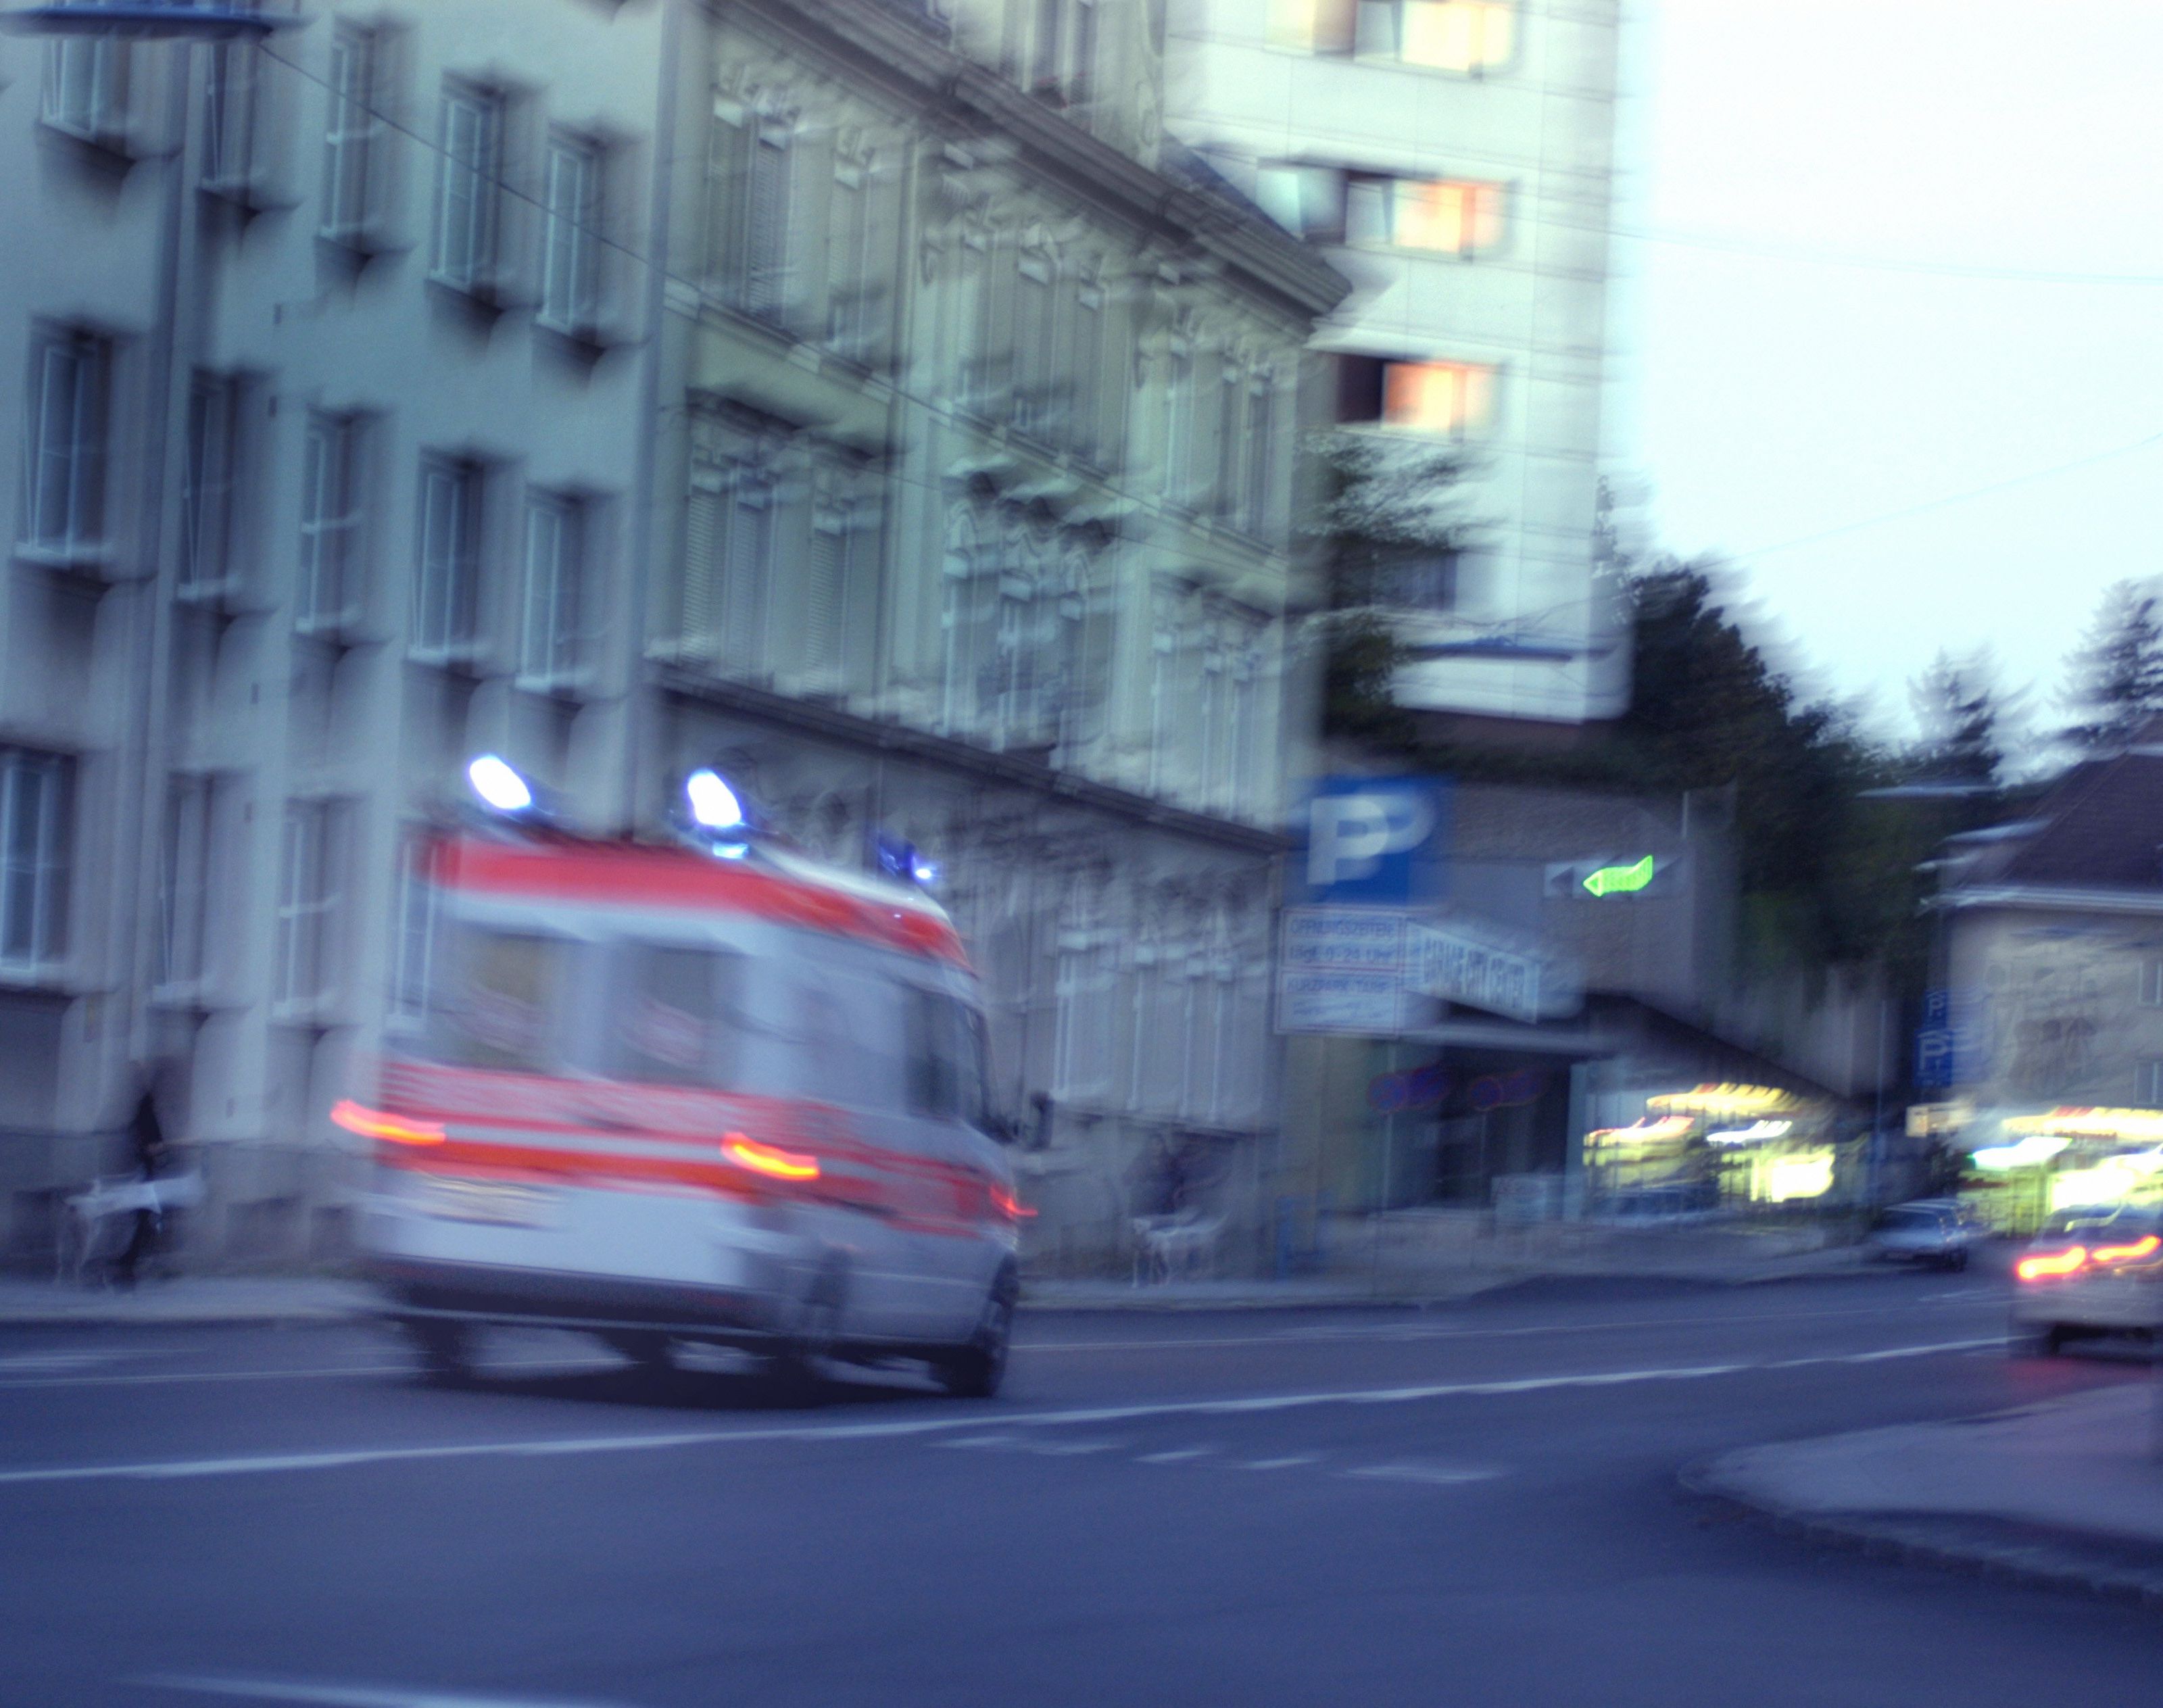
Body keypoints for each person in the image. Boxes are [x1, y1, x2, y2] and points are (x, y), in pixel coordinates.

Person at [112, 1076, 170, 1288]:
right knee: (144, 1223)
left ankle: (127, 1263)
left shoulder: (137, 1119)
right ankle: (127, 1264)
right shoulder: (149, 1119)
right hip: (144, 1177)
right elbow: (153, 1148)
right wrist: (162, 1148)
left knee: (140, 1222)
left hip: (137, 1176)